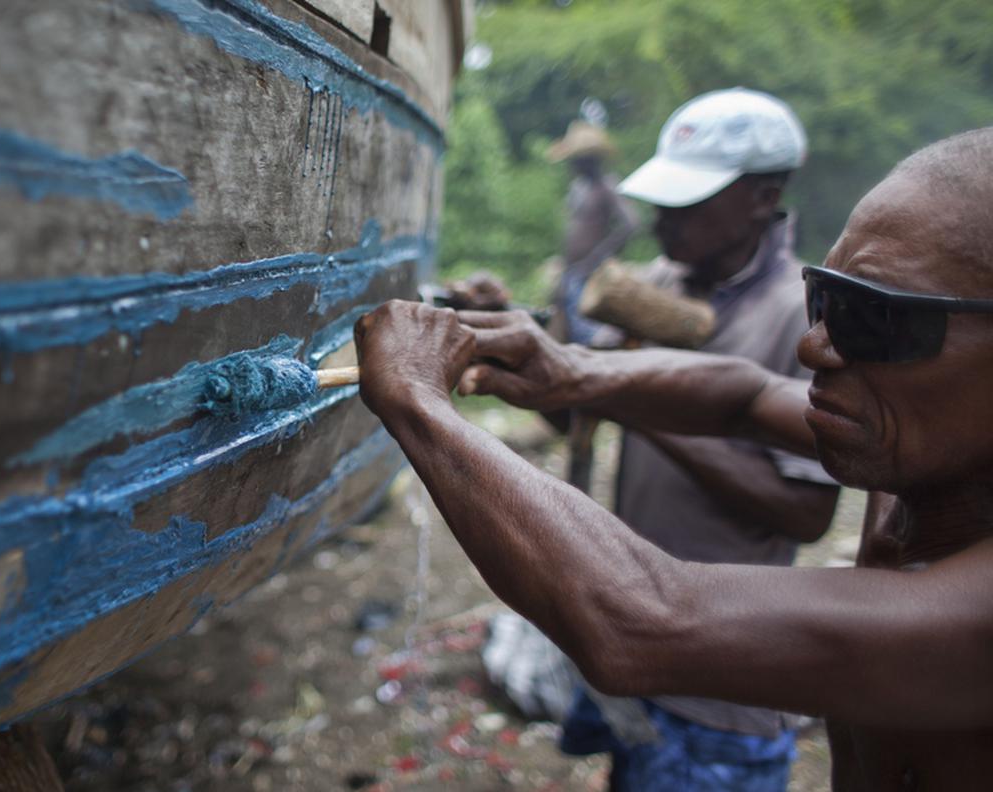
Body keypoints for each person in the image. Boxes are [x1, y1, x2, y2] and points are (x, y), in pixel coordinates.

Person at [352, 126, 993, 791]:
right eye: (825, 302)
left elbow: (644, 621)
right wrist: (571, 370)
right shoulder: (914, 458)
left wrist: (419, 402)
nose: (814, 350)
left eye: (877, 320)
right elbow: (745, 397)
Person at [550, 88, 842, 789]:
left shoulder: (799, 321)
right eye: (663, 201)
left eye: (689, 203)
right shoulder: (661, 284)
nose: (661, 222)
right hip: (631, 636)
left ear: (761, 197)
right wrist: (532, 353)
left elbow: (806, 512)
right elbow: (575, 415)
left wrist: (636, 397)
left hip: (721, 677)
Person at [546, 120, 637, 345]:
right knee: (567, 334)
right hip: (571, 272)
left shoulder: (606, 186)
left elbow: (630, 224)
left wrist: (598, 259)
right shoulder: (578, 187)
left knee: (591, 338)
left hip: (589, 274)